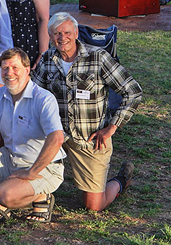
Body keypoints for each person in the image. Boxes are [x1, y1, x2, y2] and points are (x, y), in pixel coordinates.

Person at [33, 12, 142, 212]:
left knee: (93, 206)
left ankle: (120, 181)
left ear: (76, 33)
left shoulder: (98, 57)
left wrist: (111, 128)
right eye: (56, 33)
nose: (62, 38)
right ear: (50, 36)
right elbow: (33, 95)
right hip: (56, 136)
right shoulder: (48, 59)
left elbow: (133, 91)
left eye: (66, 32)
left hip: (89, 138)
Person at [0, 48, 65, 228]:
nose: (9, 73)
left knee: (5, 193)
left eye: (15, 67)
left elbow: (57, 138)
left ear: (27, 69)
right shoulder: (0, 95)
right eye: (5, 68)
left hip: (43, 167)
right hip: (12, 159)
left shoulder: (44, 99)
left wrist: (31, 172)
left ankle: (41, 196)